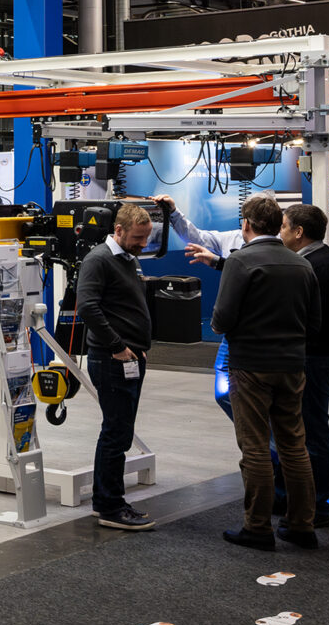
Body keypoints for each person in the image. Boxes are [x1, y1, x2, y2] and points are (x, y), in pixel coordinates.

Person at [210, 196, 321, 551]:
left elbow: (221, 319)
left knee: (255, 447)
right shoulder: (302, 264)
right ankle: (302, 524)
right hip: (292, 366)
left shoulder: (240, 261)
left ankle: (257, 527)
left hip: (251, 366)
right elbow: (315, 323)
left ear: (246, 224)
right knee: (294, 446)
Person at [274, 204, 329, 529]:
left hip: (313, 360)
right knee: (298, 431)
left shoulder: (319, 264)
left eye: (283, 227)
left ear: (298, 232)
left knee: (312, 433)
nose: (279, 232)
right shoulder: (311, 261)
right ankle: (292, 498)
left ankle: (317, 505)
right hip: (310, 357)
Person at [75, 203, 157, 531]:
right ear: (119, 230)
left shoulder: (127, 258)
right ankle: (109, 505)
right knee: (116, 433)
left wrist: (137, 347)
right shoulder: (99, 260)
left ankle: (106, 501)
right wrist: (119, 346)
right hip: (111, 359)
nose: (143, 244)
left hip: (130, 356)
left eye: (146, 238)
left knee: (119, 432)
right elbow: (88, 307)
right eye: (138, 237)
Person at [156, 192, 261, 422]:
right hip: (234, 334)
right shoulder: (232, 239)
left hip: (265, 332)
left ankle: (270, 447)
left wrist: (218, 262)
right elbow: (196, 237)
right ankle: (267, 445)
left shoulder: (281, 247)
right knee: (225, 393)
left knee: (265, 396)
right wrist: (173, 213)